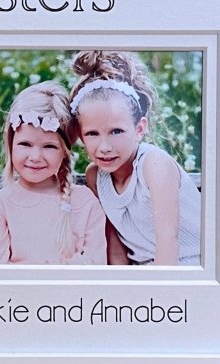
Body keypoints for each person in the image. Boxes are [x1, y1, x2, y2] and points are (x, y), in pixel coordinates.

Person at [69, 51, 201, 266]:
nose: (104, 147)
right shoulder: (96, 176)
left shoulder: (154, 165)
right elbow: (116, 248)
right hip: (141, 274)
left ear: (140, 128)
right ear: (80, 134)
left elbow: (168, 241)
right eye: (92, 134)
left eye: (117, 131)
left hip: (186, 268)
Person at [0, 81, 106, 265]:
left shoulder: (85, 202)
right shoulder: (0, 205)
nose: (35, 157)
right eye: (25, 144)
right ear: (11, 143)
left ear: (65, 151)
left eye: (49, 146)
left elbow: (96, 263)